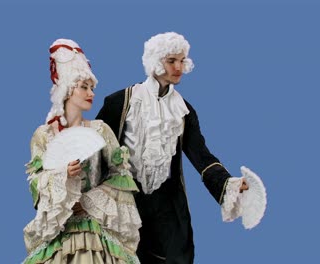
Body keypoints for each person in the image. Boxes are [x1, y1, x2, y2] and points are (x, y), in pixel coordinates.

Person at [96, 32, 249, 264]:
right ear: (156, 62)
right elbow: (95, 149)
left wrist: (228, 183)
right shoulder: (120, 102)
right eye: (171, 61)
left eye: (182, 60)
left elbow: (202, 156)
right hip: (125, 200)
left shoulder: (183, 110)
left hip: (167, 205)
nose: (179, 67)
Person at [23, 39, 141, 264]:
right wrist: (63, 176)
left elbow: (121, 176)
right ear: (68, 90)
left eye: (92, 88)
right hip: (61, 229)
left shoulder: (100, 129)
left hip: (96, 227)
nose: (91, 93)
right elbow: (35, 185)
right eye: (84, 87)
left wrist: (89, 201)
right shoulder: (43, 135)